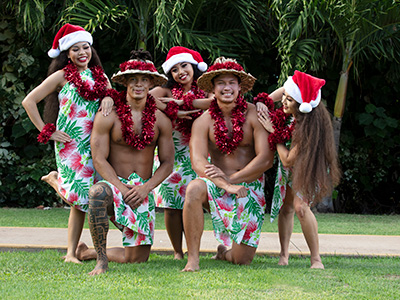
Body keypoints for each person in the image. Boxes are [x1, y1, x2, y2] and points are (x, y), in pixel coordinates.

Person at [75, 50, 174, 275]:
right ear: (125, 82)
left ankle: (88, 252)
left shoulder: (161, 120)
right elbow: (99, 158)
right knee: (97, 193)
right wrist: (120, 187)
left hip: (143, 189)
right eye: (133, 79)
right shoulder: (108, 114)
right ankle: (101, 260)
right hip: (114, 184)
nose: (138, 84)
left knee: (137, 260)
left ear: (151, 83)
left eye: (144, 79)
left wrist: (146, 188)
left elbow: (168, 162)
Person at [22, 24, 113, 264]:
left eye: (86, 47)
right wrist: (46, 130)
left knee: (89, 197)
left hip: (97, 143)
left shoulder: (100, 76)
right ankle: (71, 253)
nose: (82, 52)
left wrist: (106, 97)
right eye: (75, 49)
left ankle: (78, 249)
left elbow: (112, 97)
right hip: (71, 143)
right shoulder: (62, 76)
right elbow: (29, 101)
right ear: (67, 54)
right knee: (80, 197)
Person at [181, 57, 274, 272]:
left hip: (248, 187)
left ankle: (225, 252)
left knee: (242, 260)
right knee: (194, 187)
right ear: (213, 89)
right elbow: (197, 161)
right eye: (221, 83)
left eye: (232, 82)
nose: (227, 88)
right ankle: (193, 259)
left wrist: (232, 181)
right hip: (217, 184)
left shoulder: (255, 115)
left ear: (240, 87)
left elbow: (266, 159)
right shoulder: (203, 121)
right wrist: (224, 183)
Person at [257, 70, 340, 269]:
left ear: (302, 104)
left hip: (310, 167)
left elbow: (286, 160)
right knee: (286, 208)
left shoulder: (309, 127)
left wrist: (273, 132)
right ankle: (284, 255)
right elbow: (284, 90)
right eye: (284, 97)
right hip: (291, 170)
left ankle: (316, 259)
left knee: (301, 208)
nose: (283, 102)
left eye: (289, 100)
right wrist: (264, 101)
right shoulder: (291, 115)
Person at [149, 46, 213, 259]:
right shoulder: (166, 91)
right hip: (172, 156)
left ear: (193, 66)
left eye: (184, 65)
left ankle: (193, 248)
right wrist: (173, 110)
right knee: (171, 206)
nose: (180, 72)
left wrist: (184, 102)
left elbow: (216, 102)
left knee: (193, 202)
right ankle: (177, 251)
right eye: (174, 69)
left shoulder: (205, 88)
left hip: (199, 155)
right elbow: (144, 97)